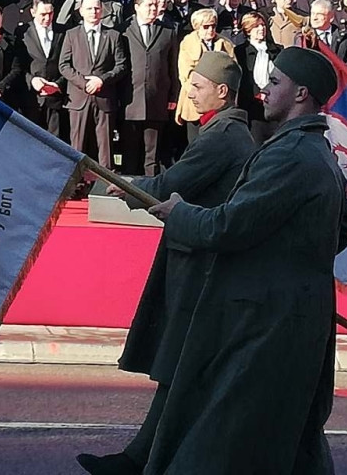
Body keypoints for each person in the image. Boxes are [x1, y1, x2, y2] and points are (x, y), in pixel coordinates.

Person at [143, 47, 347, 475]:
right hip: (295, 315)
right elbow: (342, 230)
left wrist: (178, 212)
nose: (265, 89)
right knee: (290, 435)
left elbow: (228, 227)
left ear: (301, 94)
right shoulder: (319, 152)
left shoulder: (290, 154)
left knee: (224, 437)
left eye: (275, 82)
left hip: (268, 320)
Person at [78, 51, 255, 475]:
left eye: (196, 86)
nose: (188, 93)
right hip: (195, 258)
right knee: (181, 368)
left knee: (182, 367)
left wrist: (112, 186)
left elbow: (166, 186)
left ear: (222, 92)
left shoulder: (223, 137)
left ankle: (144, 460)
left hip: (197, 265)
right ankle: (142, 458)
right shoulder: (225, 133)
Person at [59, 0, 128, 171]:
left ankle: (106, 185)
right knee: (77, 145)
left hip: (104, 97)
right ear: (81, 11)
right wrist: (83, 82)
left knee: (105, 146)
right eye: (89, 8)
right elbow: (64, 65)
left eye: (97, 8)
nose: (93, 12)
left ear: (102, 10)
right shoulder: (71, 34)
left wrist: (101, 80)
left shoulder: (113, 35)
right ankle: (75, 184)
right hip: (78, 98)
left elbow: (121, 66)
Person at [121, 0, 179, 175]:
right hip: (129, 101)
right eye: (149, 5)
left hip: (157, 100)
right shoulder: (123, 30)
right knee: (130, 153)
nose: (153, 8)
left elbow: (173, 68)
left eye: (156, 4)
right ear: (137, 7)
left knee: (151, 155)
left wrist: (173, 97)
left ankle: (149, 194)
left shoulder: (167, 32)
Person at [174, 7, 235, 143]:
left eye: (213, 26)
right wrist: (203, 92)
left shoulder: (225, 43)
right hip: (195, 105)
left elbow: (233, 72)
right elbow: (186, 74)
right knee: (196, 144)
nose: (210, 30)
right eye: (206, 27)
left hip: (219, 104)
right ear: (197, 27)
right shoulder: (187, 43)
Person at [18, 0, 68, 140]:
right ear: (33, 12)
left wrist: (57, 84)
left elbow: (68, 62)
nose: (47, 18)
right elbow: (19, 64)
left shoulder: (63, 32)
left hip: (57, 98)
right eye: (42, 14)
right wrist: (32, 81)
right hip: (32, 99)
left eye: (50, 13)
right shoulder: (23, 32)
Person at [234, 11, 281, 144]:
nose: (261, 29)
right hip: (252, 110)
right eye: (256, 26)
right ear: (248, 30)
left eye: (262, 25)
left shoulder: (277, 51)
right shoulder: (240, 52)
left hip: (273, 108)